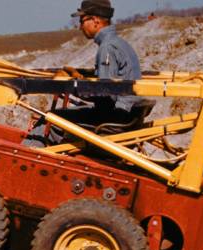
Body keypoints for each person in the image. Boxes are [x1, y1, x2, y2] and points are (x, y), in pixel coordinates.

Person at [23, 0, 143, 147]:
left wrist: (71, 87)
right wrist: (80, 77)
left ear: (95, 21)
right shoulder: (119, 43)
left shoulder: (107, 48)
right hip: (124, 116)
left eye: (82, 21)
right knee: (64, 113)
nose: (80, 27)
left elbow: (105, 94)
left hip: (112, 120)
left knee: (50, 118)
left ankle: (25, 155)